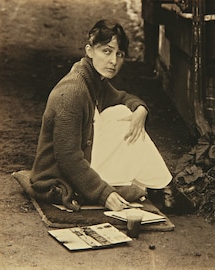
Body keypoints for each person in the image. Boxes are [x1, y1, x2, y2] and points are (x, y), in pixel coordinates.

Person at [29, 19, 172, 211]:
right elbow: (67, 157)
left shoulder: (94, 80)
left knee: (123, 113)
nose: (113, 61)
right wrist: (104, 194)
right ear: (90, 50)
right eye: (106, 51)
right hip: (56, 177)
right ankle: (164, 188)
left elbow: (122, 97)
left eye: (119, 54)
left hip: (82, 158)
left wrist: (141, 110)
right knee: (121, 120)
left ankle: (161, 187)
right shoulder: (71, 93)